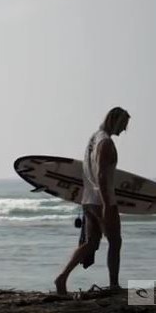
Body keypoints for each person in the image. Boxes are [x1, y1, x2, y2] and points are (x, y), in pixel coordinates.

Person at [55, 107, 130, 294]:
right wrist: (106, 205)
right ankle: (114, 285)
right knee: (115, 241)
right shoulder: (106, 143)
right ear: (116, 121)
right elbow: (102, 175)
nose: (124, 130)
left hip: (88, 199)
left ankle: (61, 277)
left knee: (91, 243)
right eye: (124, 125)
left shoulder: (94, 138)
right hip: (102, 199)